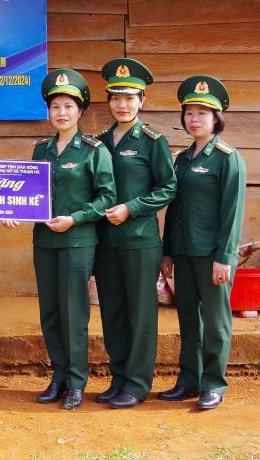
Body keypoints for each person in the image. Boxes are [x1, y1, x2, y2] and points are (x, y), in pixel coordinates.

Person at [8, 68, 115, 410]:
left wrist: (75, 218)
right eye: (55, 106)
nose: (62, 113)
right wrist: (14, 211)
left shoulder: (94, 150)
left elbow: (107, 197)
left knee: (73, 313)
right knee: (51, 312)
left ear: (80, 111)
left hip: (78, 242)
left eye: (68, 106)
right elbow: (31, 194)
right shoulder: (41, 150)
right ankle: (58, 376)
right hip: (45, 243)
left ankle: (76, 381)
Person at [91, 58, 177, 409]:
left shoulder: (153, 141)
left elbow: (168, 186)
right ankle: (119, 377)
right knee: (112, 311)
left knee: (140, 314)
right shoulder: (98, 142)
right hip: (105, 241)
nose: (122, 105)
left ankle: (138, 384)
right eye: (116, 98)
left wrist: (132, 207)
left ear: (142, 100)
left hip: (140, 239)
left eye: (129, 98)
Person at [159, 75, 246, 410]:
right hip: (184, 252)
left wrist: (225, 256)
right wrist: (168, 251)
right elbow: (174, 208)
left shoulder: (227, 158)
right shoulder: (182, 159)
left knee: (215, 321)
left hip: (212, 255)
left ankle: (213, 383)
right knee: (188, 320)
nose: (194, 119)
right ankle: (188, 380)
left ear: (216, 118)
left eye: (202, 113)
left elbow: (232, 213)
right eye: (189, 112)